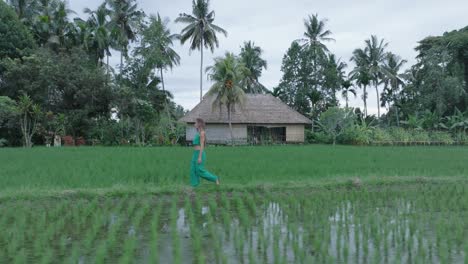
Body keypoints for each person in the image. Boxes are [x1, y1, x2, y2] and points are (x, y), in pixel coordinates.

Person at [190, 118, 220, 187]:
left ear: (199, 124)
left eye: (195, 123)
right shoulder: (198, 133)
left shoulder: (202, 133)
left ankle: (215, 178)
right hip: (195, 154)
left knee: (199, 171)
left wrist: (200, 157)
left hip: (199, 153)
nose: (194, 124)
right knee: (193, 170)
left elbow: (202, 145)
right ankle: (194, 185)